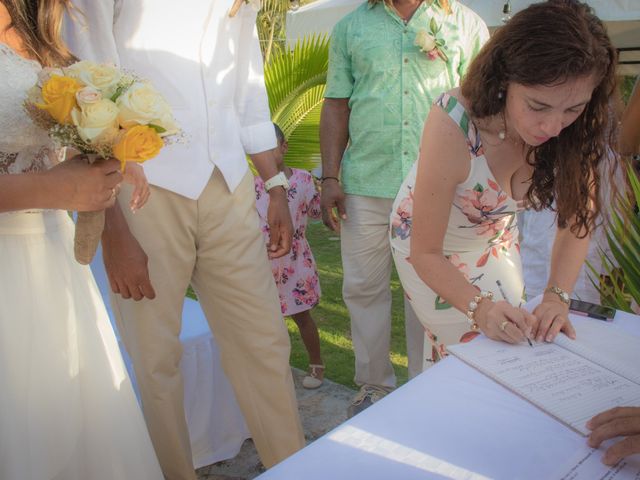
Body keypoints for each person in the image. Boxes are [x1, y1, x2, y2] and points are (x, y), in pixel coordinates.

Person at [64, 2, 305, 479]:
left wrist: (274, 185)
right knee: (155, 359)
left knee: (265, 342)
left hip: (229, 183)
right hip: (142, 190)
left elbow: (248, 90)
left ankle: (296, 468)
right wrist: (113, 228)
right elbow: (84, 91)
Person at [390, 0, 618, 365]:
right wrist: (479, 310)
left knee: (520, 335)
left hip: (494, 238)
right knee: (473, 351)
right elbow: (425, 253)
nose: (554, 127)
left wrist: (557, 296)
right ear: (503, 80)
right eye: (538, 106)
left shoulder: (577, 128)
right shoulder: (453, 123)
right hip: (424, 245)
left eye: (572, 109)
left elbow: (578, 218)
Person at [0, 1, 163, 479]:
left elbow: (59, 126)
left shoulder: (38, 30)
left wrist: (107, 144)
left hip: (49, 256)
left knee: (61, 412)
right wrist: (53, 188)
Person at [320, 0, 489, 415]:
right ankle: (374, 386)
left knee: (431, 289)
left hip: (436, 188)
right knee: (363, 288)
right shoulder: (350, 27)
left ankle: (426, 388)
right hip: (366, 182)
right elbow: (336, 104)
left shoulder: (465, 25)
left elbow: (485, 107)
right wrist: (329, 177)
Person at [255, 124, 325, 389]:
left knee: (302, 317)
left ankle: (316, 364)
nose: (267, 154)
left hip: (296, 264)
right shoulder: (252, 186)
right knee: (267, 322)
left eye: (271, 147)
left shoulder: (303, 180)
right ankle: (275, 369)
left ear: (284, 147)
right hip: (263, 263)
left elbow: (317, 213)